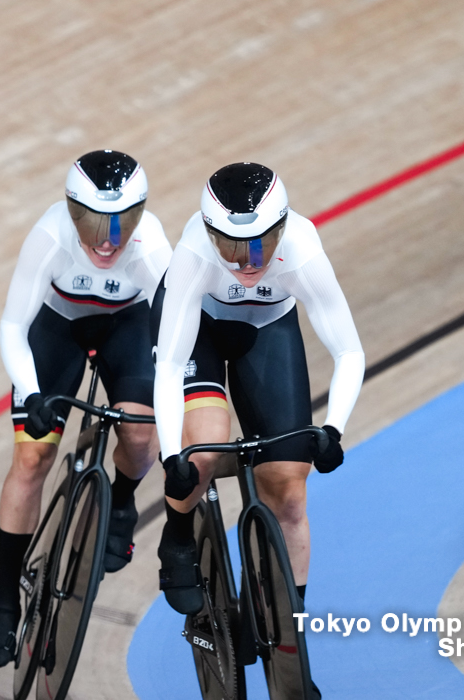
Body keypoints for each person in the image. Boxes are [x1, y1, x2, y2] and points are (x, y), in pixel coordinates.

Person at [152, 162, 365, 639]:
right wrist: (172, 457)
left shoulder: (303, 249)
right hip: (199, 331)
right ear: (210, 236)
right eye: (231, 247)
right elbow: (169, 365)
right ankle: (178, 538)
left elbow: (348, 349)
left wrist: (333, 429)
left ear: (283, 229)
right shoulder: (193, 252)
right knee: (205, 448)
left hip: (266, 328)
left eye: (262, 244)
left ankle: (290, 642)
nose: (248, 261)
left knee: (289, 490)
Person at [0, 150, 171, 668]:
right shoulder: (50, 236)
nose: (110, 239)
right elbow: (12, 327)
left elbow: (177, 336)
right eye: (95, 223)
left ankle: (123, 502)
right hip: (57, 325)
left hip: (126, 326)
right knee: (32, 459)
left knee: (137, 431)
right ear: (70, 211)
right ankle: (2, 603)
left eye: (123, 222)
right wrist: (33, 394)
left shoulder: (151, 245)